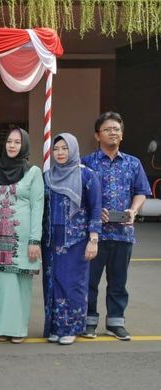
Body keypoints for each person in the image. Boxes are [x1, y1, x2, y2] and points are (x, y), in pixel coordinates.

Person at [82, 112, 151, 341]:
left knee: (118, 282)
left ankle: (116, 322)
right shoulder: (87, 163)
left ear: (122, 134)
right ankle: (89, 321)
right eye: (108, 129)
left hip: (123, 234)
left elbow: (141, 191)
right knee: (90, 281)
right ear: (97, 135)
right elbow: (79, 195)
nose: (113, 133)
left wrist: (133, 210)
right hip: (94, 235)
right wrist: (93, 211)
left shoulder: (133, 163)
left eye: (117, 129)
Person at [0, 128, 43, 344]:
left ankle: (18, 329)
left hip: (23, 242)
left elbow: (38, 207)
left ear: (24, 145)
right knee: (3, 285)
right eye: (9, 141)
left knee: (21, 285)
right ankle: (2, 327)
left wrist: (35, 240)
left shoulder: (33, 172)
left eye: (17, 142)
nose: (12, 145)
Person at [42, 133, 102, 345]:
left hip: (76, 240)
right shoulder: (47, 176)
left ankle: (72, 327)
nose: (59, 153)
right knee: (53, 283)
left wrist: (93, 239)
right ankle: (56, 326)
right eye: (56, 148)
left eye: (64, 148)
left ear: (73, 150)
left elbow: (95, 208)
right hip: (51, 240)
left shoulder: (86, 176)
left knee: (73, 283)